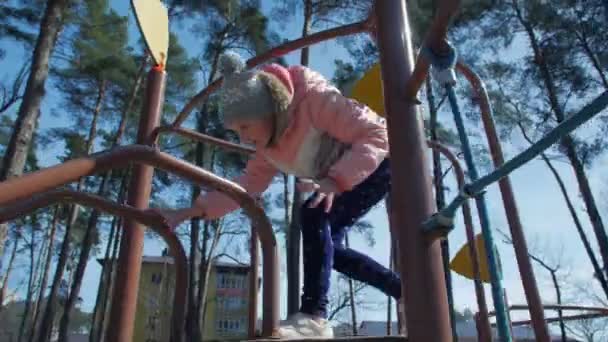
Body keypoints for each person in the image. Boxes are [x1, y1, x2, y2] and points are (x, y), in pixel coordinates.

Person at [156, 52, 401, 339]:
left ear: (270, 109)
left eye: (245, 127)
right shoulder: (268, 148)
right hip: (337, 177)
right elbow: (244, 187)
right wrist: (187, 212)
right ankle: (401, 290)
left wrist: (336, 179)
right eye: (236, 132)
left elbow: (377, 135)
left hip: (380, 162)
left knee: (312, 214)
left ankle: (313, 317)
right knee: (330, 250)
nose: (243, 138)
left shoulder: (314, 100)